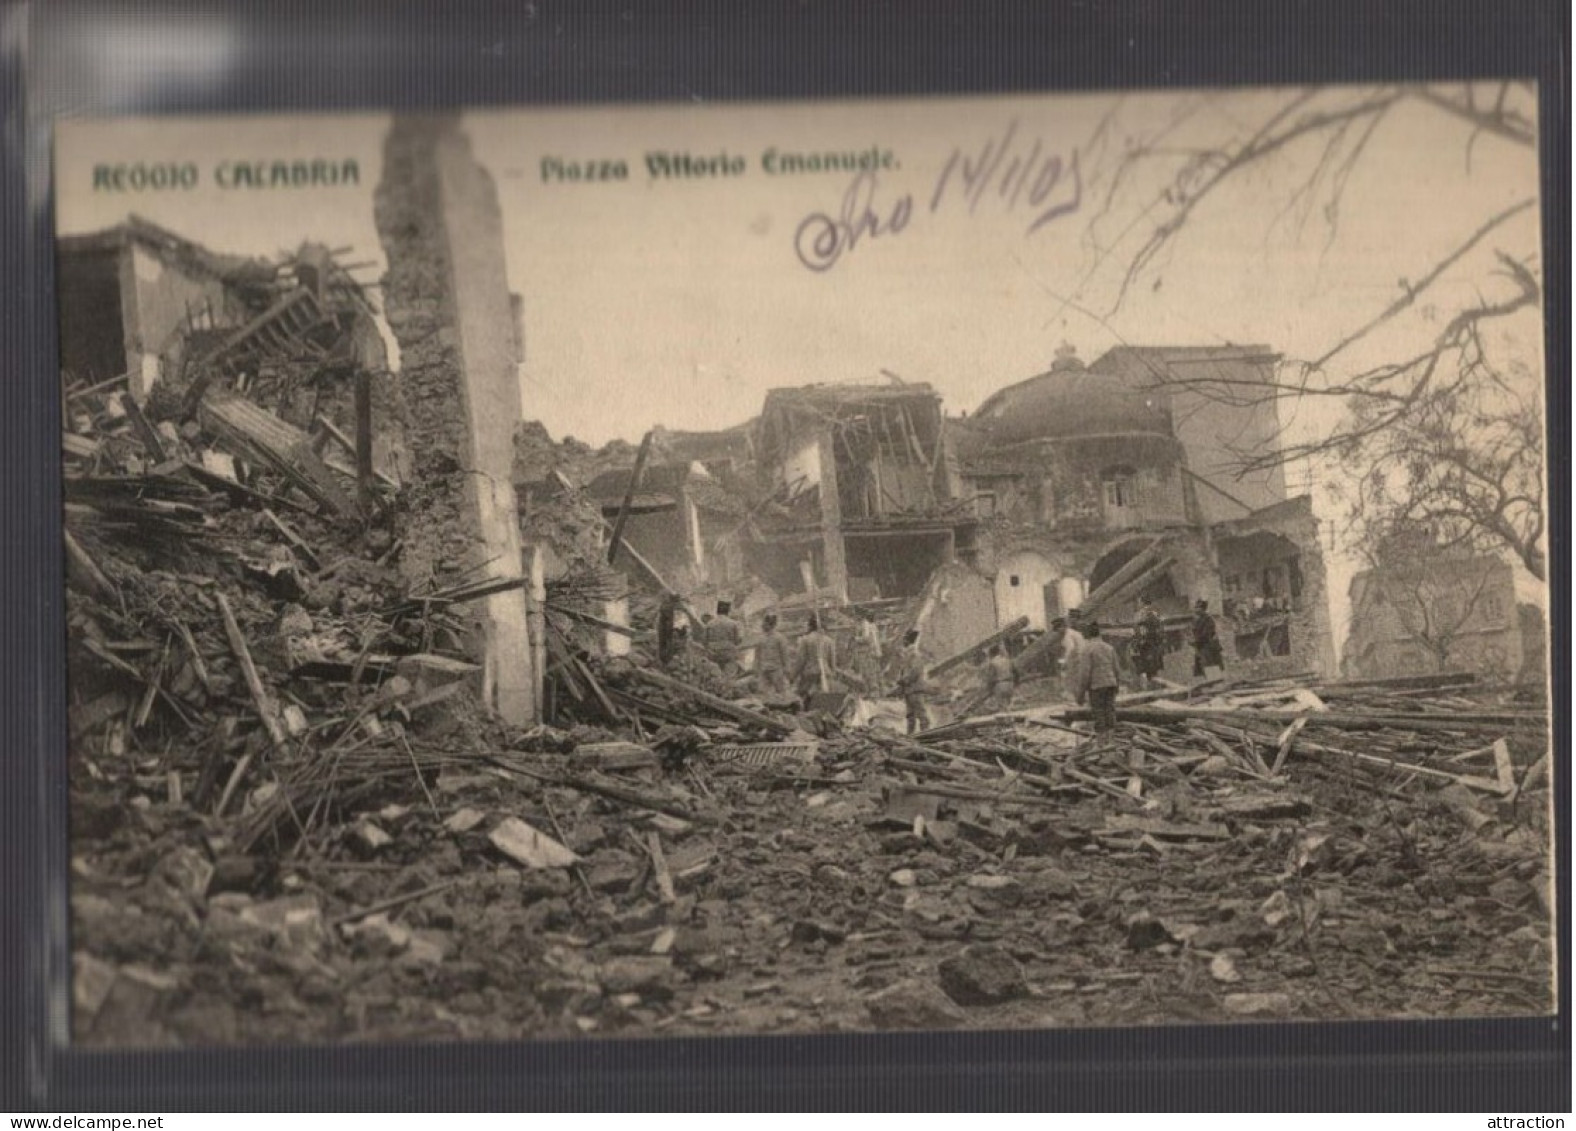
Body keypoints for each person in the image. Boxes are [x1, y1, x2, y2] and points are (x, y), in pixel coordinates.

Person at [1072, 620, 1122, 734]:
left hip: (1097, 687)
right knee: (1110, 712)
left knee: (1099, 714)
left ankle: (1102, 743)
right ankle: (1112, 741)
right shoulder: (1109, 648)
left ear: (1088, 635)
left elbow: (1085, 674)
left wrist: (1080, 695)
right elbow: (1117, 670)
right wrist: (1117, 685)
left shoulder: (1087, 649)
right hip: (1111, 684)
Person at [792, 614, 838, 708]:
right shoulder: (829, 641)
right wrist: (832, 675)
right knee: (824, 703)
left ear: (810, 626)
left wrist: (793, 677)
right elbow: (832, 663)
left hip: (810, 675)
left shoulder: (805, 640)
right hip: (826, 674)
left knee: (804, 702)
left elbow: (800, 661)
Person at [894, 629, 929, 734]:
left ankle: (926, 734)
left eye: (905, 639)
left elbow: (915, 671)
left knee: (921, 714)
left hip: (915, 689)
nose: (903, 641)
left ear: (908, 641)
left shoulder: (914, 654)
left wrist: (903, 680)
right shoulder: (908, 654)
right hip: (909, 690)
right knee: (910, 715)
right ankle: (911, 736)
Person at [754, 612, 792, 697]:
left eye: (764, 623)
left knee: (781, 692)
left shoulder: (780, 638)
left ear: (770, 624)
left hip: (776, 670)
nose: (762, 625)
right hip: (764, 670)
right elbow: (757, 655)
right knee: (764, 693)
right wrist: (756, 669)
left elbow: (785, 655)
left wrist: (787, 670)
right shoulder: (761, 638)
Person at [1132, 597, 1167, 689]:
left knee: (1149, 670)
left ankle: (1152, 689)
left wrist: (1140, 641)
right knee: (1152, 670)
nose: (1138, 605)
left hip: (1148, 646)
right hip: (1152, 646)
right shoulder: (1154, 614)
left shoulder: (1145, 614)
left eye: (1139, 602)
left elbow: (1142, 630)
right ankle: (1154, 687)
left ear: (1143, 603)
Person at [704, 599, 743, 678]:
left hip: (713, 653)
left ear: (717, 611)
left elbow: (704, 640)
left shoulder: (709, 623)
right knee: (729, 675)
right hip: (728, 654)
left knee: (713, 675)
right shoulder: (733, 624)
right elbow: (737, 641)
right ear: (727, 611)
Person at [848, 608, 884, 693]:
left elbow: (866, 638)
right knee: (875, 672)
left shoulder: (865, 624)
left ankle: (873, 691)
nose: (854, 617)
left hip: (868, 652)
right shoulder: (869, 625)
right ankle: (879, 691)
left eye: (855, 615)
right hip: (872, 652)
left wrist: (856, 639)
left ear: (859, 615)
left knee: (869, 672)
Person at [1192, 598, 1225, 678]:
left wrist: (1197, 640)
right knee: (1205, 664)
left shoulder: (1208, 619)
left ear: (1203, 609)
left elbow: (1208, 633)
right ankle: (1210, 681)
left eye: (1198, 608)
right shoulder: (1198, 620)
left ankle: (1215, 680)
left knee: (1211, 664)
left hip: (1208, 645)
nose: (1196, 610)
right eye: (1195, 607)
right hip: (1202, 646)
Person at [984, 644, 1017, 713]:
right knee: (1009, 705)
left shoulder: (992, 663)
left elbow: (991, 677)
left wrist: (989, 690)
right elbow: (1016, 672)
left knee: (1002, 707)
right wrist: (1015, 684)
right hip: (1010, 683)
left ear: (991, 654)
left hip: (1000, 684)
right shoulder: (1008, 660)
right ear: (999, 652)